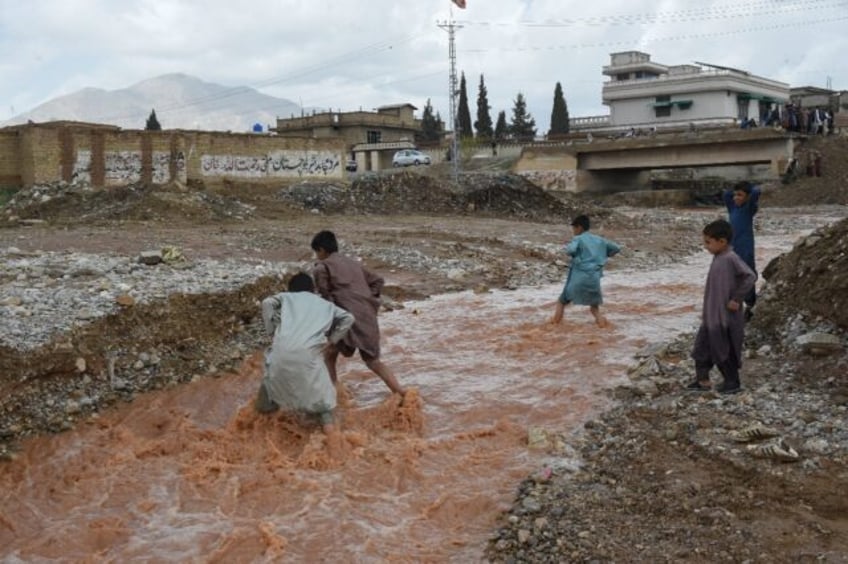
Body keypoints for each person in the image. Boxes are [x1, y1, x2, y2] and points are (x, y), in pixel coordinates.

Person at [310, 230, 406, 397]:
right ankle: (401, 392)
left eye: (316, 252)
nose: (317, 256)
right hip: (367, 317)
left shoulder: (322, 267)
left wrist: (328, 325)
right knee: (373, 361)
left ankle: (334, 390)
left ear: (321, 250)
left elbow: (326, 299)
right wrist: (369, 300)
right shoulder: (353, 264)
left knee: (330, 352)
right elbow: (378, 281)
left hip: (346, 318)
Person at [256, 272, 355, 434]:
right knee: (324, 404)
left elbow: (267, 303)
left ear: (290, 289)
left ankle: (262, 433)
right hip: (309, 356)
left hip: (279, 354)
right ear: (313, 289)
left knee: (270, 388)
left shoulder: (286, 298)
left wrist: (272, 331)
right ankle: (333, 446)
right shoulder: (325, 305)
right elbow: (348, 318)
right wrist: (332, 340)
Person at [687, 219, 756, 394]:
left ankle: (732, 382)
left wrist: (736, 299)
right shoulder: (719, 257)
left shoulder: (730, 258)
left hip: (723, 316)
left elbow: (750, 276)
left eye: (708, 242)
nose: (705, 246)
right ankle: (702, 380)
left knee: (723, 349)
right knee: (701, 348)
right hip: (711, 315)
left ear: (722, 241)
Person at [551, 215, 621, 328]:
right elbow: (616, 248)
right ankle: (603, 327)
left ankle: (554, 326)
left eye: (574, 228)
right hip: (594, 278)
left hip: (579, 278)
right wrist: (605, 255)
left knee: (562, 301)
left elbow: (570, 250)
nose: (573, 231)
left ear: (579, 228)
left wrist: (574, 255)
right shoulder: (599, 239)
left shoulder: (578, 239)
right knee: (594, 308)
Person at [723, 180, 760, 320]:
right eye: (735, 195)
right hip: (733, 248)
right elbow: (726, 195)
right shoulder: (732, 208)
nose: (736, 198)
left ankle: (751, 304)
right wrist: (735, 189)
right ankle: (736, 305)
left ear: (747, 197)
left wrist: (748, 189)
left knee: (748, 275)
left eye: (740, 195)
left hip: (746, 248)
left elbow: (756, 192)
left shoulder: (749, 208)